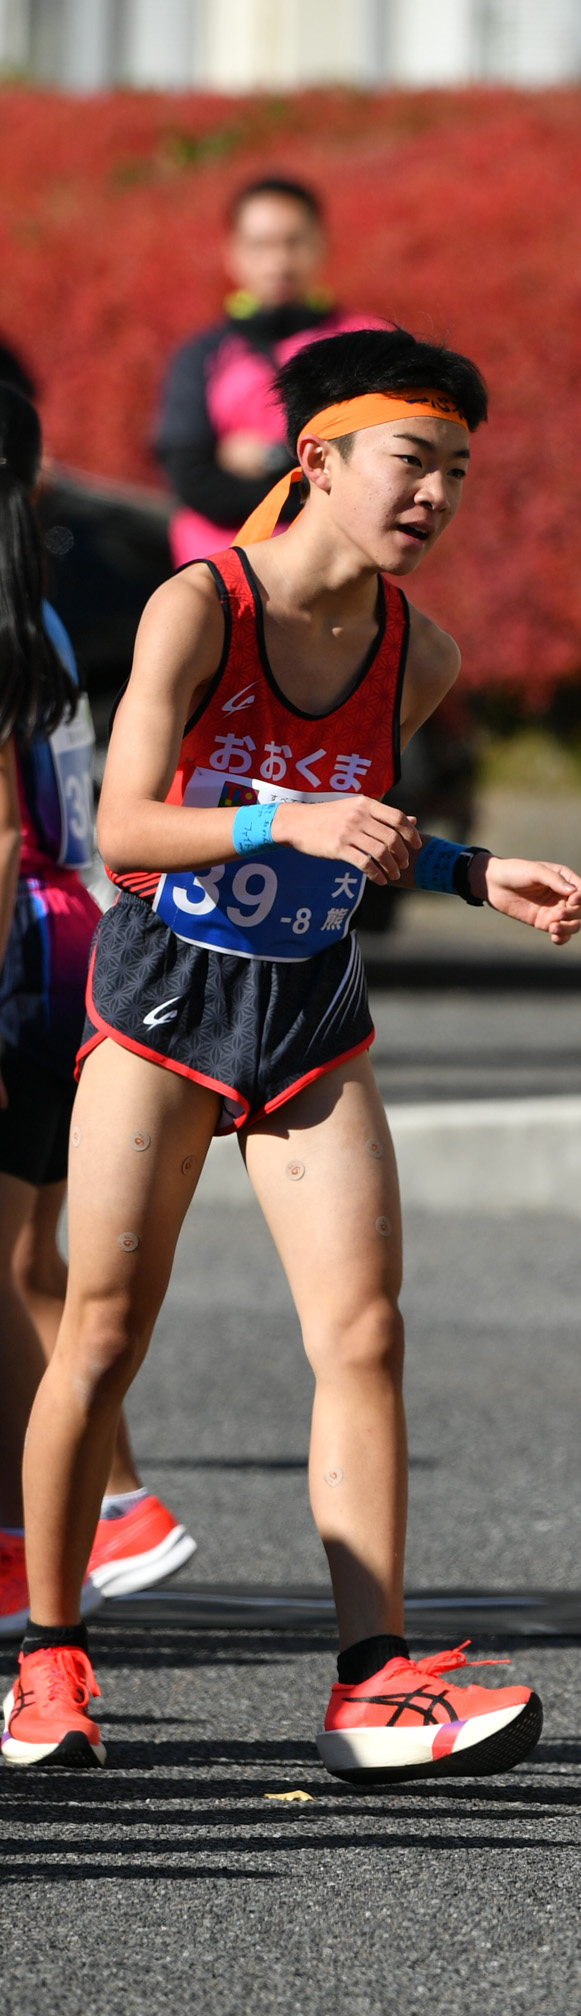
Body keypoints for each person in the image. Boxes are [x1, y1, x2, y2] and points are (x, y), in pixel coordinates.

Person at [3, 326, 581, 1777]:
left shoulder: (418, 654)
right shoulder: (199, 608)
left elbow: (361, 827)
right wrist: (285, 818)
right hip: (165, 999)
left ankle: (374, 1680)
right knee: (102, 1334)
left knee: (366, 1331)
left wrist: (469, 871)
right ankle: (49, 1663)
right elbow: (127, 826)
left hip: (310, 1009)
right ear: (318, 459)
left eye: (457, 470)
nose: (435, 495)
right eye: (412, 460)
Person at [0, 382, 194, 1641]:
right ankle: (102, 1508)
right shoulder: (44, 609)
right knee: (26, 1258)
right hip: (76, 934)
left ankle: (70, 1523)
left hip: (22, 944)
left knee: (13, 1264)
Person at [157, 175, 376, 568]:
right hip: (222, 574)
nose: (279, 261)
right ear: (232, 252)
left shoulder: (368, 344)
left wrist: (271, 458)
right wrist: (318, 472)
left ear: (321, 243)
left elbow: (380, 467)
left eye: (293, 242)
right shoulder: (197, 356)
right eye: (261, 245)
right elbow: (193, 481)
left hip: (338, 573)